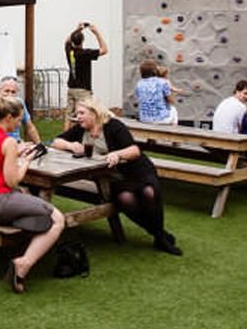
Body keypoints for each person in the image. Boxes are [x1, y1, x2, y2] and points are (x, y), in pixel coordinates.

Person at [53, 96, 181, 255]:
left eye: (81, 113)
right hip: (115, 177)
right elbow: (56, 141)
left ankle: (160, 238)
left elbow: (134, 151)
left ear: (94, 113)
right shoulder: (81, 129)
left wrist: (118, 154)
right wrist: (70, 145)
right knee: (125, 200)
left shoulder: (113, 126)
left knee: (149, 192)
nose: (78, 117)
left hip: (137, 170)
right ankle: (160, 235)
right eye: (77, 113)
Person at [0, 95, 65, 293]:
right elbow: (12, 181)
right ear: (9, 117)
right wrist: (26, 162)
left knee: (36, 210)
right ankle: (23, 264)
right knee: (58, 218)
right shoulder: (8, 143)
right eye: (19, 119)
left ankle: (31, 230)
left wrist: (14, 156)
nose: (20, 123)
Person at [64, 22, 108, 130]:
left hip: (71, 88)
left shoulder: (70, 51)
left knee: (69, 117)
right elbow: (104, 50)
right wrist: (96, 32)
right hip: (83, 90)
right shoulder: (85, 53)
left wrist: (77, 30)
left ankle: (65, 137)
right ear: (82, 41)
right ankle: (84, 136)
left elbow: (67, 41)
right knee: (85, 114)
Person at [0, 75, 40, 144]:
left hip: (17, 142)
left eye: (13, 92)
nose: (10, 95)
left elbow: (30, 128)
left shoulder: (20, 104)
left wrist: (39, 144)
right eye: (6, 91)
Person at [135, 59, 177, 124]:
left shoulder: (139, 84)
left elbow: (139, 99)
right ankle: (173, 131)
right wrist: (174, 92)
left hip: (144, 119)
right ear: (155, 71)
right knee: (173, 110)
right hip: (161, 120)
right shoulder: (163, 82)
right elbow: (172, 101)